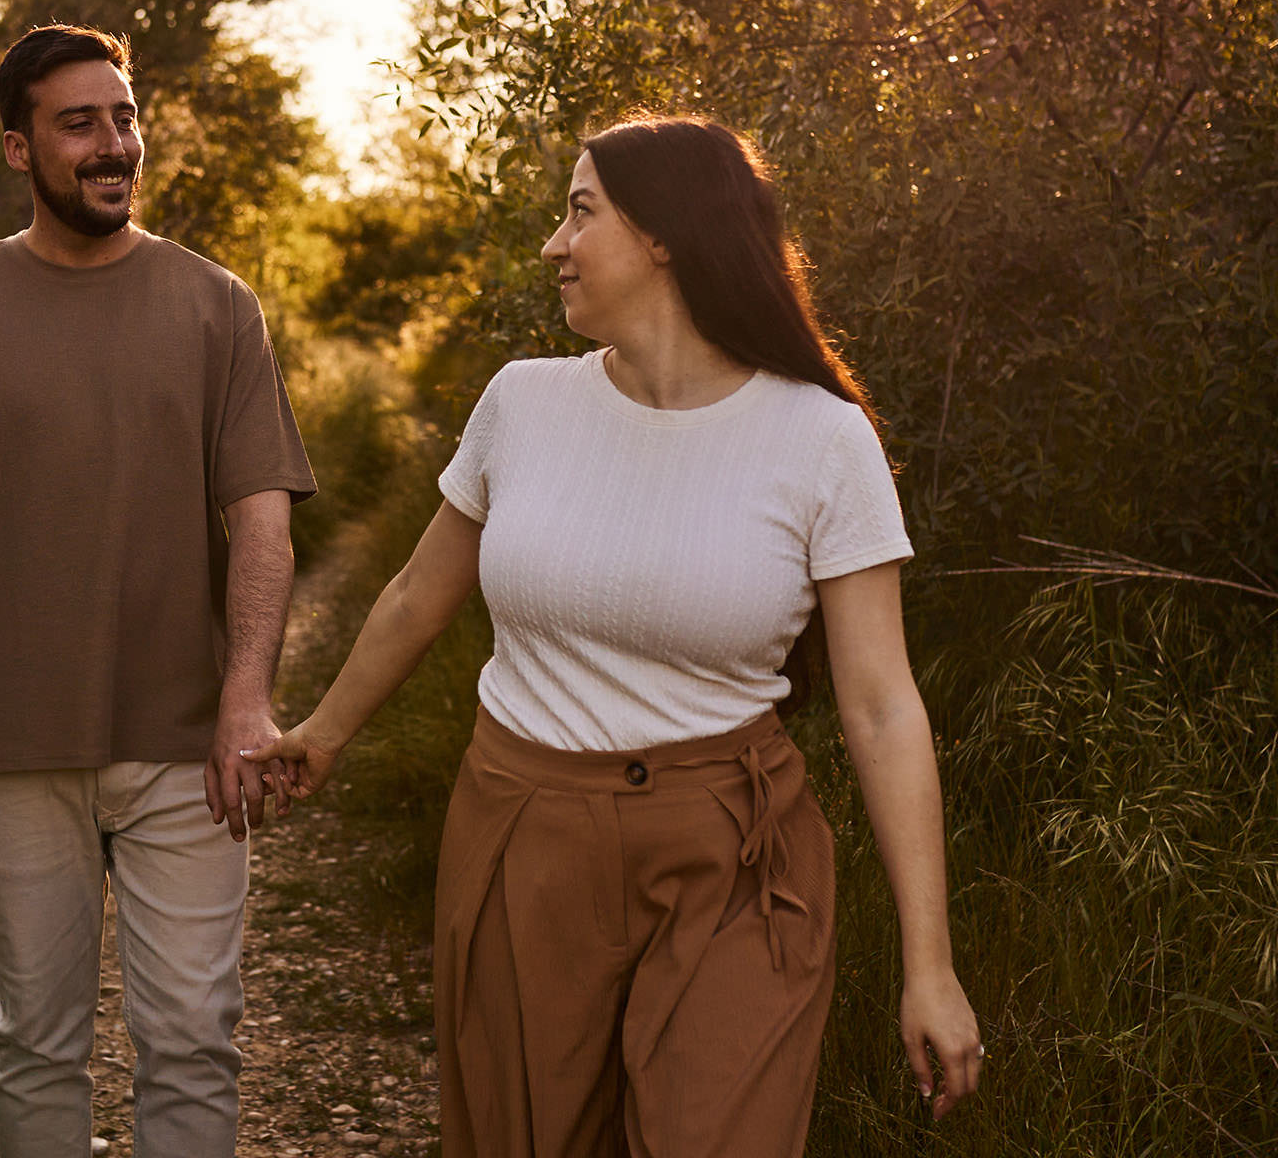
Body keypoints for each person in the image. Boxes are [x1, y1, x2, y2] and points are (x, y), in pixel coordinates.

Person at [248, 115, 981, 1156]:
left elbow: (879, 702)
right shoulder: (524, 403)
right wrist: (321, 733)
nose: (555, 242)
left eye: (580, 211)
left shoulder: (822, 436)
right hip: (522, 835)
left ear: (664, 237)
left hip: (730, 858)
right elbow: (419, 590)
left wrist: (930, 962)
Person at [0, 23, 315, 1157]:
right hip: (12, 744)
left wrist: (248, 694)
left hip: (187, 741)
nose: (115, 145)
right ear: (18, 148)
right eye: (80, 122)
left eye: (126, 116)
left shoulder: (215, 306)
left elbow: (262, 519)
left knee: (194, 1038)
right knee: (38, 1042)